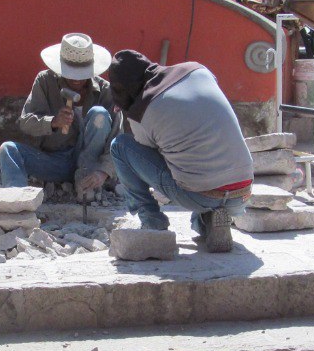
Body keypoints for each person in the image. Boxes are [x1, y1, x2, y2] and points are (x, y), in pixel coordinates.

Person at [107, 49, 254, 253]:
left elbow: (152, 157)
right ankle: (208, 219)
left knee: (120, 146)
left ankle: (152, 221)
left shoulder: (141, 110)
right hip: (243, 193)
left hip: (200, 195)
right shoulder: (198, 69)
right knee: (194, 157)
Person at [0, 33, 119, 199]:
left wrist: (103, 172)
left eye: (81, 74)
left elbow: (117, 138)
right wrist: (53, 122)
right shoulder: (45, 82)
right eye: (71, 73)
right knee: (9, 149)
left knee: (100, 114)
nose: (76, 80)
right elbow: (26, 122)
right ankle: (16, 203)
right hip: (56, 162)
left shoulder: (105, 91)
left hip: (90, 167)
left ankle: (87, 187)